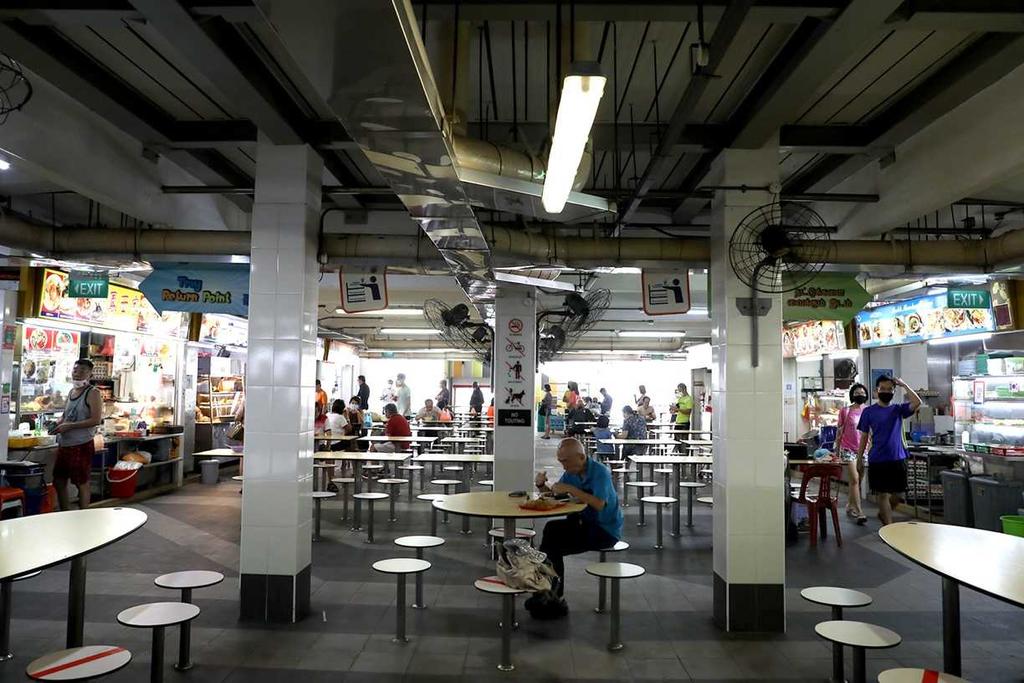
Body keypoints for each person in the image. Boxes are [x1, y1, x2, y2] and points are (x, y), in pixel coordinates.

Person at [535, 437, 623, 602]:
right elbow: (555, 495)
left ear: (582, 457)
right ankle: (549, 593)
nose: (564, 466)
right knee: (551, 530)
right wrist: (541, 486)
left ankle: (552, 595)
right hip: (582, 523)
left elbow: (599, 504)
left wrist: (571, 490)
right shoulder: (571, 472)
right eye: (561, 461)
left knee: (553, 548)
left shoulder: (600, 472)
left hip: (605, 530)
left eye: (566, 461)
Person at [856, 376, 921, 526]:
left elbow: (917, 402)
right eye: (882, 389)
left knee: (898, 494)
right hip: (877, 459)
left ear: (894, 391)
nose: (886, 392)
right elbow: (864, 437)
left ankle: (884, 513)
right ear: (876, 391)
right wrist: (860, 458)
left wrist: (904, 385)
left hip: (898, 458)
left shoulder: (899, 410)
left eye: (889, 389)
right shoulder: (868, 412)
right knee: (882, 494)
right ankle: (888, 526)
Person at [52, 359, 102, 510]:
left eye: (82, 371)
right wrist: (58, 423)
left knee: (81, 482)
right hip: (65, 443)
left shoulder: (93, 392)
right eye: (75, 370)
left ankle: (83, 514)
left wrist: (70, 426)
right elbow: (66, 414)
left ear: (90, 374)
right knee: (59, 481)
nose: (78, 374)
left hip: (81, 444)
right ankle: (65, 512)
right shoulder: (71, 392)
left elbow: (95, 419)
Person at [833, 383, 868, 524]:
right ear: (852, 395)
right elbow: (839, 431)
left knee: (858, 480)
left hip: (863, 450)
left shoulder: (868, 411)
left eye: (862, 392)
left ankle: (849, 505)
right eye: (857, 392)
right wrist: (836, 450)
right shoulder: (845, 411)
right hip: (848, 449)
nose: (860, 394)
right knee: (854, 478)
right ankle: (859, 511)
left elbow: (870, 432)